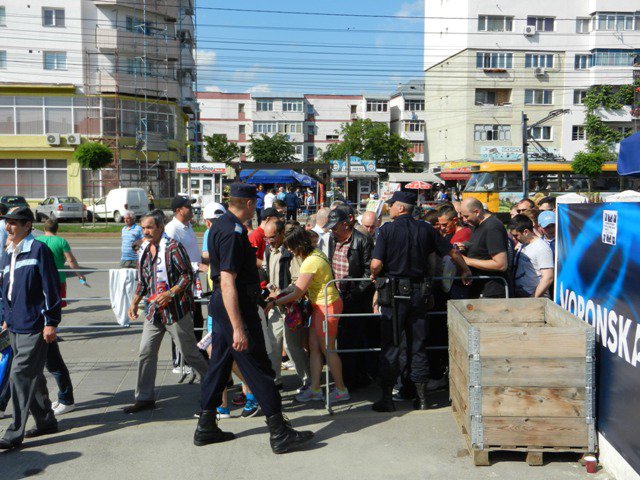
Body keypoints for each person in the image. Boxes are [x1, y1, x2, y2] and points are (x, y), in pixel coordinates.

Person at [195, 184, 313, 453]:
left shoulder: (218, 226)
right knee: (259, 369)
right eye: (255, 204)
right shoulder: (233, 232)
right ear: (249, 204)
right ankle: (279, 432)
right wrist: (238, 327)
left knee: (219, 366)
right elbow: (227, 281)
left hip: (227, 307)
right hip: (236, 309)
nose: (256, 208)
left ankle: (206, 426)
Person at [370, 191, 471, 412]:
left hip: (395, 294)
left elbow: (376, 264)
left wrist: (374, 274)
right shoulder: (425, 229)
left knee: (391, 345)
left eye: (392, 205)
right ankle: (422, 398)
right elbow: (451, 252)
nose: (390, 208)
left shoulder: (386, 230)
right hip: (419, 294)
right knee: (418, 345)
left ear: (400, 207)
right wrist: (465, 269)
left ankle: (387, 398)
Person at [124, 210, 209, 414]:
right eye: (143, 228)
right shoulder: (144, 248)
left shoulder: (173, 247)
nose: (146, 232)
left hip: (176, 311)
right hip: (154, 312)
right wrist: (134, 302)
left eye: (150, 227)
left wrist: (170, 293)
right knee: (146, 352)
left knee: (189, 353)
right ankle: (144, 398)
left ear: (160, 227)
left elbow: (187, 276)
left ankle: (214, 386)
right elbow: (143, 280)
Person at [265, 226, 349, 403]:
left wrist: (274, 302)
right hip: (321, 306)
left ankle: (341, 389)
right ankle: (315, 388)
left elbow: (297, 292)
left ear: (298, 244)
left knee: (328, 349)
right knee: (315, 349)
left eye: (290, 246)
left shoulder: (310, 261)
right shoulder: (315, 254)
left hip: (326, 306)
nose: (288, 249)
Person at [0, 207, 60, 450]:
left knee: (19, 375)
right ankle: (46, 421)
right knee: (33, 376)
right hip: (14, 325)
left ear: (27, 226)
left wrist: (51, 322)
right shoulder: (8, 253)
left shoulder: (39, 250)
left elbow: (50, 288)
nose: (8, 227)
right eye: (7, 223)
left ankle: (14, 432)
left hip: (34, 325)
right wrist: (5, 318)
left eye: (14, 223)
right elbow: (6, 289)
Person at [35, 218, 87, 415]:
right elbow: (70, 260)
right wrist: (80, 275)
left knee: (50, 361)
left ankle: (64, 399)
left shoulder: (38, 243)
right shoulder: (61, 241)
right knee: (56, 309)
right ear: (56, 228)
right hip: (58, 279)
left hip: (42, 288)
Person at [325, 206, 374, 389]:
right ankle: (348, 377)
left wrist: (355, 292)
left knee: (353, 338)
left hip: (355, 297)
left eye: (335, 227)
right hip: (337, 294)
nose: (332, 231)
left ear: (346, 224)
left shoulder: (361, 241)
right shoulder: (332, 239)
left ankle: (352, 379)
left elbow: (369, 271)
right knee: (342, 338)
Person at [262, 220, 311, 390]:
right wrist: (269, 288)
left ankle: (308, 380)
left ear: (282, 233)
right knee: (273, 343)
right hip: (275, 305)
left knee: (292, 346)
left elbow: (298, 282)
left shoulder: (292, 251)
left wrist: (281, 294)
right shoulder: (269, 250)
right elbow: (267, 271)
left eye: (272, 237)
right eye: (266, 238)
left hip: (291, 306)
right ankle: (275, 381)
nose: (269, 241)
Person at [165, 195, 205, 370]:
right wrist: (197, 265)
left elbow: (191, 253)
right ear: (179, 210)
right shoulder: (172, 229)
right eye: (188, 206)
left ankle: (192, 358)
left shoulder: (187, 227)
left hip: (194, 280)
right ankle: (179, 362)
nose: (192, 209)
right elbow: (171, 257)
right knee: (181, 322)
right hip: (180, 282)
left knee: (195, 321)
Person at [459, 198, 510, 299]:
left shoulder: (493, 227)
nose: (464, 220)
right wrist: (465, 246)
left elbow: (501, 264)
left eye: (466, 216)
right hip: (480, 288)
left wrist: (468, 261)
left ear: (477, 212)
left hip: (491, 292)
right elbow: (482, 248)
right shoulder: (477, 225)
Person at [508, 215, 554, 298]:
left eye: (516, 235)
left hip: (534, 296)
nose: (514, 239)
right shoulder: (523, 244)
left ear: (526, 232)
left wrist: (533, 298)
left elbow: (548, 277)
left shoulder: (541, 248)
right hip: (521, 294)